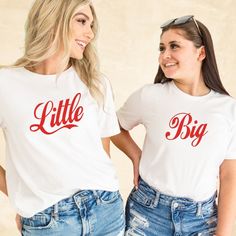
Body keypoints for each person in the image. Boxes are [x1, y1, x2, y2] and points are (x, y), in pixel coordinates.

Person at [0, 0, 125, 235]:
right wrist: (23, 197)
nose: (90, 33)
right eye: (81, 21)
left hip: (106, 209)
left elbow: (102, 151)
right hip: (48, 222)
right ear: (53, 19)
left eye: (91, 24)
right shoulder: (6, 83)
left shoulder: (96, 83)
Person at [111, 15, 236, 235]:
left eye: (174, 46)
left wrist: (223, 233)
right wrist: (135, 155)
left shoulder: (227, 109)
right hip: (147, 214)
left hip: (202, 221)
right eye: (161, 48)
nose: (164, 55)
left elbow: (229, 175)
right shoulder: (150, 96)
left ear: (201, 52)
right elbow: (112, 125)